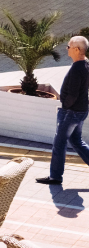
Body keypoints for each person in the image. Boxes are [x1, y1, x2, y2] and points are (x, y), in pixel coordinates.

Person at [37, 36, 89, 185]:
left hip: (71, 112)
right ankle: (55, 176)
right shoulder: (85, 65)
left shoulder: (77, 68)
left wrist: (65, 107)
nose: (67, 49)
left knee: (59, 143)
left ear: (77, 49)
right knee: (76, 141)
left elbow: (73, 94)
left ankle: (55, 177)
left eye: (69, 46)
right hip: (80, 110)